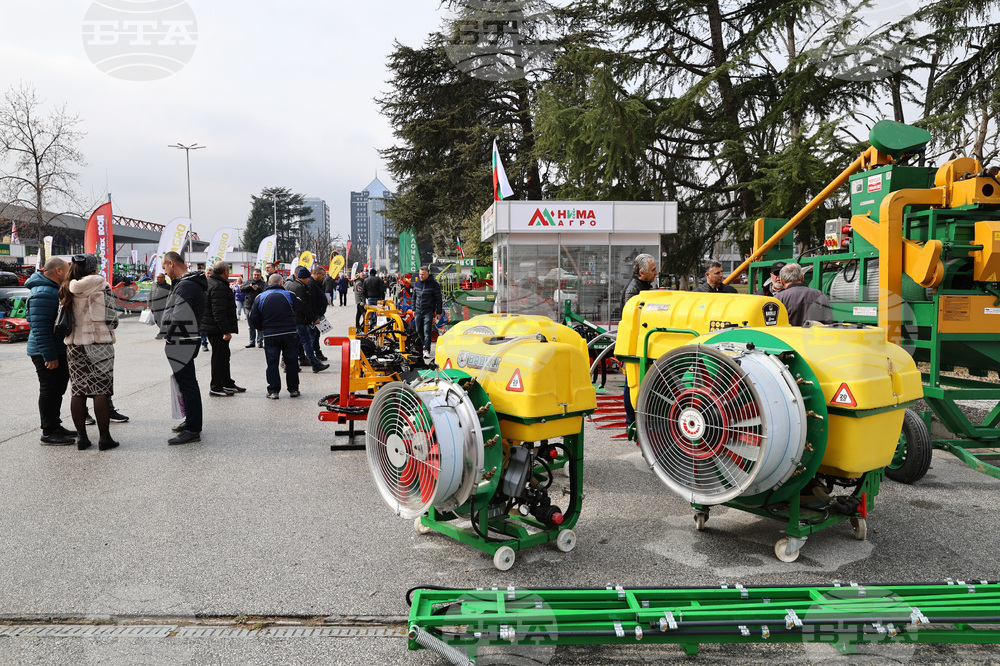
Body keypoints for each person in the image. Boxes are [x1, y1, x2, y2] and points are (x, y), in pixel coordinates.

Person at [60, 254, 119, 451]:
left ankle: (82, 439)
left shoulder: (66, 287)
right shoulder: (102, 286)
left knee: (78, 391)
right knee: (100, 391)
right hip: (99, 345)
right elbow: (112, 320)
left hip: (75, 345)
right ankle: (104, 439)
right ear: (93, 268)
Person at [158, 251, 208, 445]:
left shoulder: (186, 285)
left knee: (188, 385)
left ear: (171, 264)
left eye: (164, 267)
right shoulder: (189, 282)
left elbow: (180, 315)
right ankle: (191, 422)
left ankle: (193, 429)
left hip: (182, 340)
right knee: (188, 383)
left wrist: (169, 337)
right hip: (187, 338)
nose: (165, 272)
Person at [26, 257, 76, 445]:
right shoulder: (43, 293)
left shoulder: (52, 290)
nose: (69, 274)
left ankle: (56, 425)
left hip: (55, 349)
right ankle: (48, 431)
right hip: (46, 352)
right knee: (49, 390)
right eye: (67, 270)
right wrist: (50, 355)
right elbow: (40, 328)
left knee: (57, 389)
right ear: (58, 271)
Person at [248, 273, 303, 399]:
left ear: (269, 283)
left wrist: (262, 328)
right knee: (292, 362)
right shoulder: (289, 295)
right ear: (281, 283)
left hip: (270, 334)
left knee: (272, 364)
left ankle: (273, 391)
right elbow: (300, 305)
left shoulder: (260, 297)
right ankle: (293, 389)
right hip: (289, 333)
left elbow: (253, 317)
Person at [620, 253, 657, 428]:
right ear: (642, 273)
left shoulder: (645, 287)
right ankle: (631, 421)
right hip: (634, 345)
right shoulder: (633, 291)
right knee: (632, 383)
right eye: (653, 270)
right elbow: (632, 319)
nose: (656, 272)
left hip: (641, 344)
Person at [201, 261, 244, 396]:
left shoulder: (214, 283)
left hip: (214, 326)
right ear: (225, 271)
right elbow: (218, 311)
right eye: (228, 270)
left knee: (224, 355)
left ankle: (227, 382)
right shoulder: (217, 285)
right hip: (216, 328)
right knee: (219, 357)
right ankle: (216, 387)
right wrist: (225, 331)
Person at [285, 267, 329, 372]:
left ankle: (290, 365)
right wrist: (314, 318)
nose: (309, 280)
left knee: (297, 343)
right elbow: (304, 306)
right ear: (304, 277)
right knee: (306, 342)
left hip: (298, 319)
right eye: (308, 278)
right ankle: (314, 363)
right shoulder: (300, 288)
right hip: (300, 320)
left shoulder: (296, 285)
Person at [413, 266, 443, 360]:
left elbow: (439, 299)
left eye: (423, 274)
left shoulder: (434, 285)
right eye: (420, 274)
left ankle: (427, 349)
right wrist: (413, 309)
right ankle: (423, 345)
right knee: (418, 330)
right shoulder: (417, 284)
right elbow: (414, 297)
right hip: (418, 311)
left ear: (427, 274)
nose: (421, 276)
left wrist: (439, 312)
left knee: (427, 330)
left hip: (428, 311)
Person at [308, 266, 329, 362]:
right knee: (314, 336)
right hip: (315, 315)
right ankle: (313, 355)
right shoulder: (312, 284)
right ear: (317, 274)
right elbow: (311, 301)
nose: (324, 277)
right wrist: (315, 316)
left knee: (316, 335)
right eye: (322, 275)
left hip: (319, 314)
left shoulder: (317, 283)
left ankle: (317, 353)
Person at [241, 268, 266, 348]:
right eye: (255, 275)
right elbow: (241, 289)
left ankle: (260, 342)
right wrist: (249, 286)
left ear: (260, 275)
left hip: (259, 306)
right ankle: (252, 341)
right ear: (252, 275)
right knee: (250, 325)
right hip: (249, 306)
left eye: (258, 275)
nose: (256, 276)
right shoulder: (248, 282)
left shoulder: (263, 283)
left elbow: (265, 292)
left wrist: (258, 289)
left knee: (259, 325)